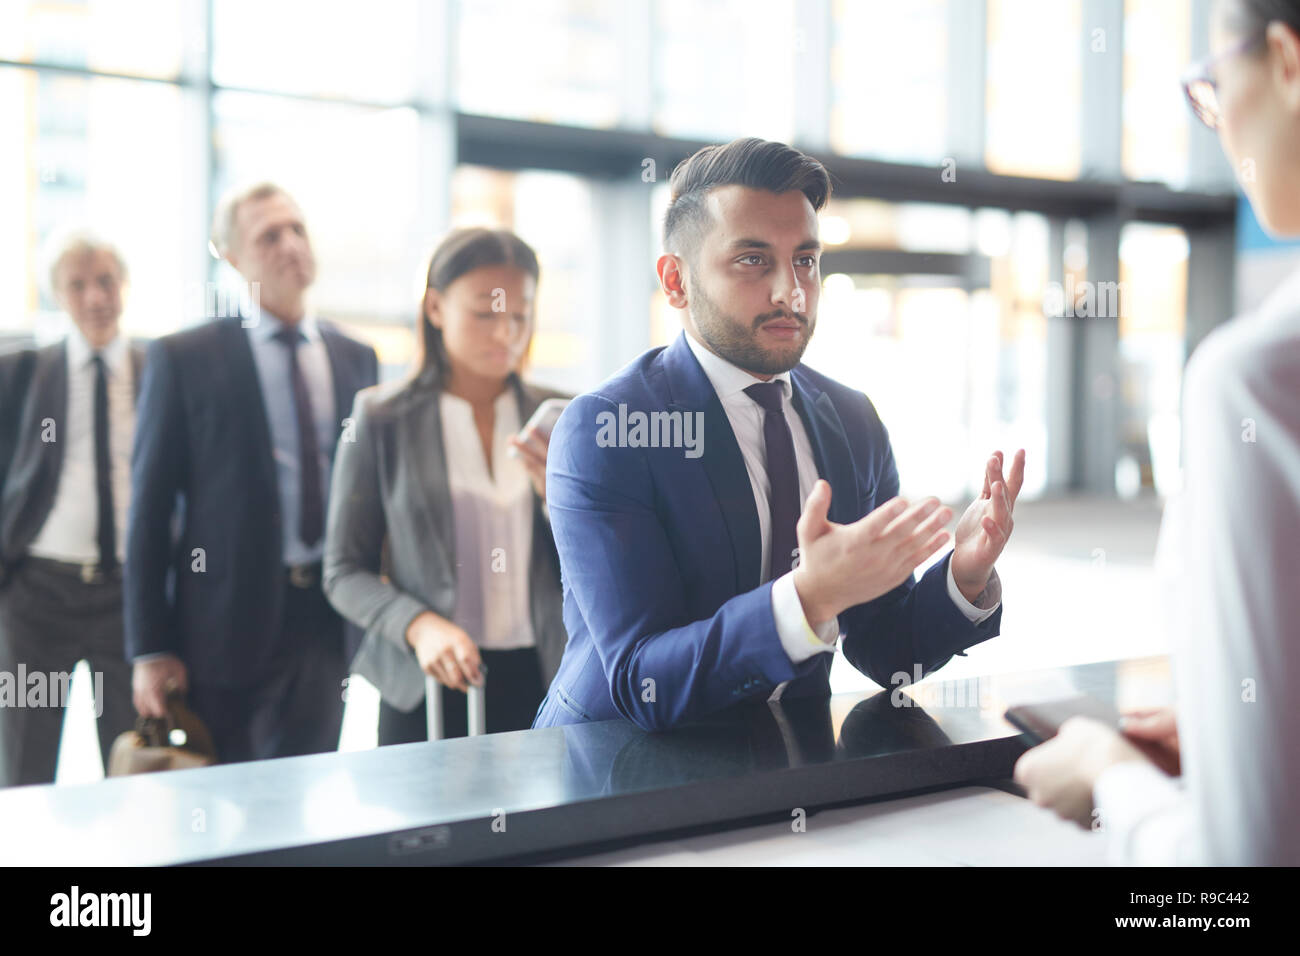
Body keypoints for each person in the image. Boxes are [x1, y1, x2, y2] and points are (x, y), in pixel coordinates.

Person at [533, 137, 1026, 732]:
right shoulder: (610, 430)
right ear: (676, 281)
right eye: (753, 260)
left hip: (786, 766)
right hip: (615, 773)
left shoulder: (852, 420)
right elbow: (645, 681)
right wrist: (807, 599)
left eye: (806, 261)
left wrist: (962, 577)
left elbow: (886, 649)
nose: (790, 291)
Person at [1013, 0, 1300, 866]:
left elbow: (1235, 887)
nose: (1215, 124)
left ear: (1286, 61)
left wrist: (1106, 778)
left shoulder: (1253, 381)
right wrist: (1245, 735)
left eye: (1210, 86)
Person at [125, 182, 378, 763]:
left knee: (304, 793)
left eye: (298, 229)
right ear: (232, 256)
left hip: (326, 619)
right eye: (269, 235)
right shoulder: (185, 356)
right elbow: (149, 508)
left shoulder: (354, 356)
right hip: (221, 628)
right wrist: (149, 647)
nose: (290, 244)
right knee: (227, 811)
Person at [324, 228, 569, 742]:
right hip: (428, 681)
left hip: (546, 676)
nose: (507, 333)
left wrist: (560, 502)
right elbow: (344, 569)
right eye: (485, 313)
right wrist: (418, 624)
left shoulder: (563, 416)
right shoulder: (382, 418)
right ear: (435, 307)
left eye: (520, 315)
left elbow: (608, 561)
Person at [0, 232, 142, 786]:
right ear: (58, 295)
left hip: (129, 600)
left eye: (105, 280)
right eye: (77, 285)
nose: (94, 297)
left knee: (136, 764)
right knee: (24, 767)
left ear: (125, 286)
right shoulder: (21, 373)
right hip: (38, 598)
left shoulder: (158, 369)